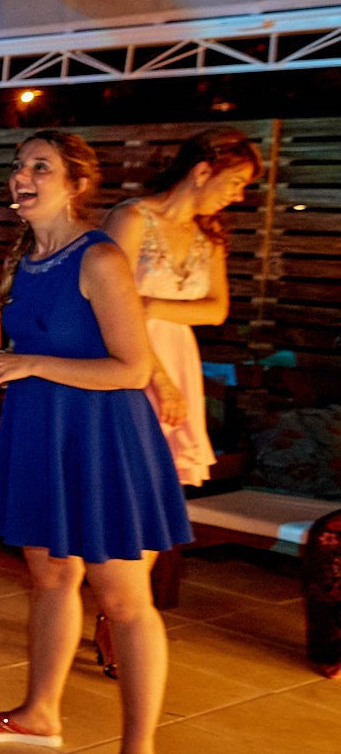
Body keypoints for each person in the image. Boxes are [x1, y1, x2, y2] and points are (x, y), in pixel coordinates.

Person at [0, 131, 193, 754]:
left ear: (75, 182)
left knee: (123, 599)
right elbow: (9, 350)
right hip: (40, 433)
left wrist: (30, 363)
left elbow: (133, 367)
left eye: (41, 166)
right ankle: (39, 712)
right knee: (50, 577)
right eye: (19, 166)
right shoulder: (24, 262)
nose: (22, 176)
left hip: (103, 439)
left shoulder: (100, 258)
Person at [104, 127, 261, 487]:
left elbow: (216, 309)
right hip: (127, 356)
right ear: (203, 171)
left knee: (158, 487)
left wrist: (149, 304)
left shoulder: (210, 233)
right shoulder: (131, 219)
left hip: (178, 358)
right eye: (235, 182)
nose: (237, 196)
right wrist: (159, 380)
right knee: (119, 476)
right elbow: (110, 305)